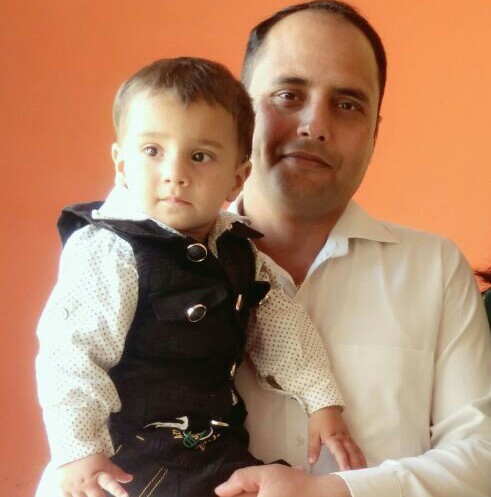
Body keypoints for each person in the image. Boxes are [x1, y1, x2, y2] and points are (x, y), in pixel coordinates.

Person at [35, 57, 366, 497]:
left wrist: (321, 401)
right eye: (152, 151)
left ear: (237, 178)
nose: (175, 174)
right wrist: (79, 449)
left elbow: (284, 330)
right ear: (121, 163)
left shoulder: (240, 252)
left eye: (200, 156)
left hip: (215, 451)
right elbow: (72, 353)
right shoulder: (110, 250)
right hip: (127, 458)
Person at [215, 1, 491, 496]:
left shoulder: (435, 269)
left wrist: (331, 492)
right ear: (239, 110)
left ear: (374, 133)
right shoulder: (140, 261)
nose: (315, 125)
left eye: (347, 104)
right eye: (288, 95)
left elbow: (482, 457)